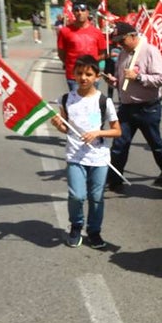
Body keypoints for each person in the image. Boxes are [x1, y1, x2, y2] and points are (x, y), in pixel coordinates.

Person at [50, 56, 121, 248]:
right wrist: (58, 126)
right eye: (79, 73)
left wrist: (97, 132)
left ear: (97, 77)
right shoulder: (66, 100)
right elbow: (66, 128)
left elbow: (117, 130)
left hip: (98, 157)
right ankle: (76, 225)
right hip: (75, 156)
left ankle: (94, 231)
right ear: (73, 74)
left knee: (96, 197)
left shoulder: (104, 101)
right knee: (77, 195)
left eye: (88, 74)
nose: (83, 78)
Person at [105, 21, 162, 193]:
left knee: (155, 142)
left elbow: (161, 79)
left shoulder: (150, 51)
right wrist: (114, 81)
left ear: (133, 36)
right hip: (127, 107)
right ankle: (115, 177)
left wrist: (139, 77)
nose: (120, 44)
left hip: (147, 107)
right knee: (120, 143)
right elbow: (121, 78)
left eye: (122, 40)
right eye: (118, 41)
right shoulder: (122, 53)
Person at [57, 0, 105, 91]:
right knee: (76, 104)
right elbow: (61, 54)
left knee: (92, 104)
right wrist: (72, 63)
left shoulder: (97, 32)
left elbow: (102, 54)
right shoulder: (65, 31)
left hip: (92, 76)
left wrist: (89, 63)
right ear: (73, 12)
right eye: (76, 10)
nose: (80, 13)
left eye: (83, 10)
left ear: (87, 12)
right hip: (74, 76)